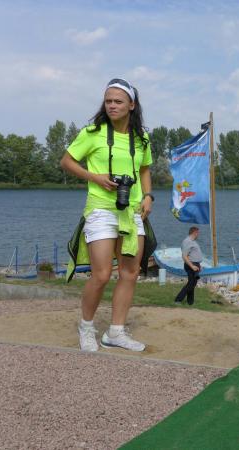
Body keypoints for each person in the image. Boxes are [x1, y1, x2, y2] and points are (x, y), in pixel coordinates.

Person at [62, 78, 156, 352]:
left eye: (118, 101)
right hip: (101, 208)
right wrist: (95, 177)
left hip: (132, 211)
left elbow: (145, 169)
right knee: (102, 274)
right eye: (108, 101)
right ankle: (86, 327)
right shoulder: (92, 132)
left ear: (131, 105)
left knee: (130, 273)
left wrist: (148, 196)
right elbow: (66, 161)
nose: (112, 105)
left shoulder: (141, 138)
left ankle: (115, 332)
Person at [175, 226, 202, 305]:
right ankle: (178, 300)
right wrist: (192, 266)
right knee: (191, 284)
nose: (198, 235)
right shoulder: (187, 241)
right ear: (195, 233)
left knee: (192, 283)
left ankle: (190, 302)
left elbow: (194, 254)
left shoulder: (192, 241)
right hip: (191, 265)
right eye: (198, 233)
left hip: (195, 264)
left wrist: (199, 265)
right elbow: (184, 256)